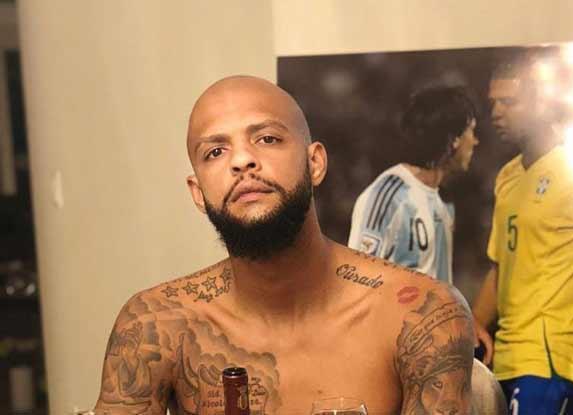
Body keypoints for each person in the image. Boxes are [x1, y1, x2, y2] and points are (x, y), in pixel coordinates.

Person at [93, 76, 476, 415]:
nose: (242, 160)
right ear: (198, 193)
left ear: (315, 163)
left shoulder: (421, 315)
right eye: (215, 152)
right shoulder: (154, 325)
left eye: (267, 139)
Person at [472, 57, 573, 415]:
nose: (496, 113)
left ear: (542, 103)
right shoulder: (507, 176)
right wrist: (473, 324)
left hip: (555, 364)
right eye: (493, 103)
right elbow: (500, 269)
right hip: (505, 361)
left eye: (508, 102)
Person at [347, 86, 479, 286]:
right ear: (454, 139)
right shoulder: (389, 197)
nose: (476, 141)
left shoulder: (445, 200)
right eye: (472, 131)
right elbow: (356, 282)